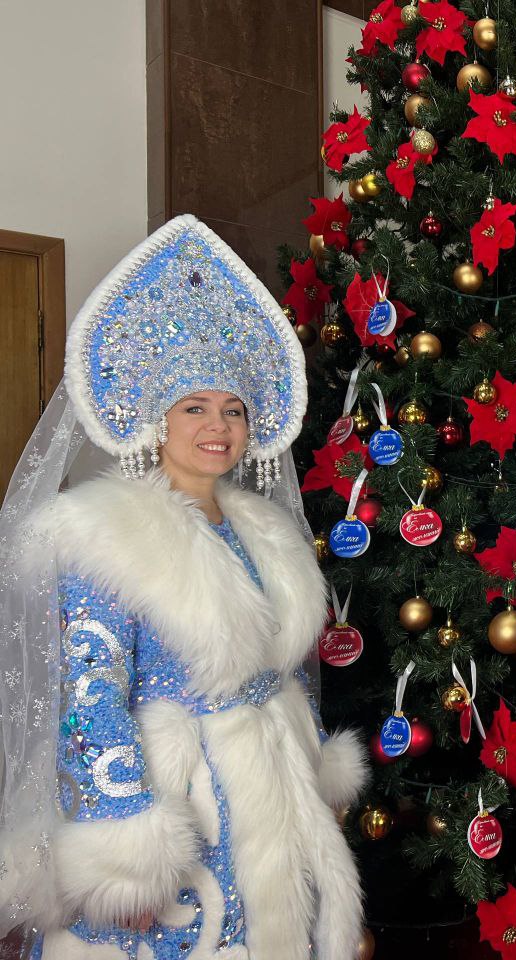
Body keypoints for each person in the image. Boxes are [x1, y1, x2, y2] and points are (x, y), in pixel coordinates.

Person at [0, 216, 368, 959]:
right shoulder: (106, 536)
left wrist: (308, 769)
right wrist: (127, 860)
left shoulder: (266, 531)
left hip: (274, 801)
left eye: (233, 409)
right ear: (156, 422)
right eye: (194, 407)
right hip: (179, 815)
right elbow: (91, 697)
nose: (218, 426)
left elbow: (285, 669)